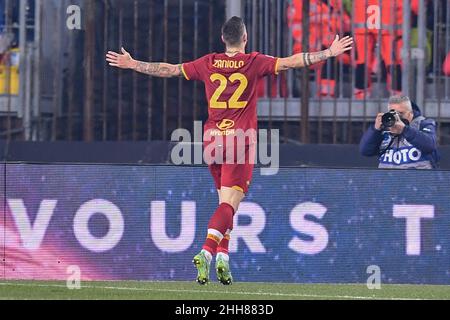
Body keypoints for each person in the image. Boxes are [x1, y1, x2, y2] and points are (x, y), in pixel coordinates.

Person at [106, 16, 353, 285]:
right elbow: (292, 61)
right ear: (245, 38)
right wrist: (328, 52)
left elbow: (170, 70)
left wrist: (133, 64)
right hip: (239, 140)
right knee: (229, 204)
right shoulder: (254, 62)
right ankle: (207, 252)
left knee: (225, 203)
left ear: (223, 39)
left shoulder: (207, 62)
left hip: (211, 139)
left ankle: (223, 256)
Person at [359, 95, 439, 169]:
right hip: (389, 181)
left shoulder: (423, 124)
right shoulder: (384, 128)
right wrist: (375, 130)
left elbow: (430, 145)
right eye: (393, 113)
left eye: (401, 113)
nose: (397, 117)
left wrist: (404, 130)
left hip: (418, 181)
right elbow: (365, 151)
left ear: (411, 113)